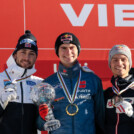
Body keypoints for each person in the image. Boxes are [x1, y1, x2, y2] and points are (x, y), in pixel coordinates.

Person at [34, 32, 105, 134]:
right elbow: (40, 126)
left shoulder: (93, 80)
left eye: (72, 47)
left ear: (78, 50)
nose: (68, 52)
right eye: (63, 48)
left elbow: (100, 119)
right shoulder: (47, 84)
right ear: (57, 51)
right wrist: (43, 117)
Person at [0, 30, 43, 134]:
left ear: (36, 58)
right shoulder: (1, 78)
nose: (26, 58)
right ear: (15, 55)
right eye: (23, 52)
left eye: (31, 54)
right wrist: (1, 103)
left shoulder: (40, 84)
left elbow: (41, 125)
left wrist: (45, 116)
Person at [104, 44, 134, 134]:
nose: (119, 63)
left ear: (129, 63)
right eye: (115, 60)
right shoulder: (106, 94)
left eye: (123, 59)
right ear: (110, 64)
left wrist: (132, 114)